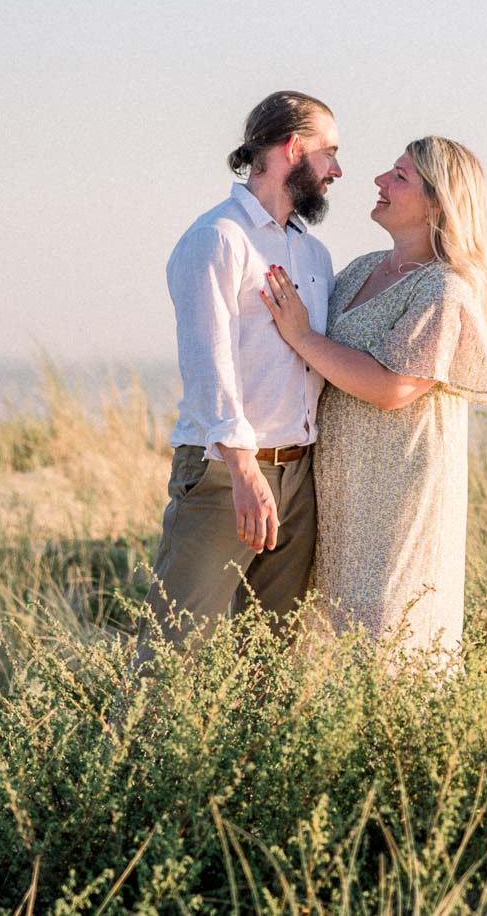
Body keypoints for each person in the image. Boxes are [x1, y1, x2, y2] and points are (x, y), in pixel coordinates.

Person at [261, 135, 487, 654]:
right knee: (332, 649)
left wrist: (303, 337)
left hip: (398, 500)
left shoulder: (442, 288)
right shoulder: (360, 270)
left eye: (400, 176)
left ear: (438, 202)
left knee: (392, 643)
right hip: (341, 497)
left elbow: (394, 388)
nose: (379, 181)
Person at [137, 90, 341, 650]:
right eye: (329, 153)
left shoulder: (315, 256)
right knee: (171, 656)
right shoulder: (217, 239)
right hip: (228, 477)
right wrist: (246, 472)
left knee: (269, 664)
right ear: (293, 147)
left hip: (299, 479)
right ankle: (142, 743)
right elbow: (209, 365)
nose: (337, 170)